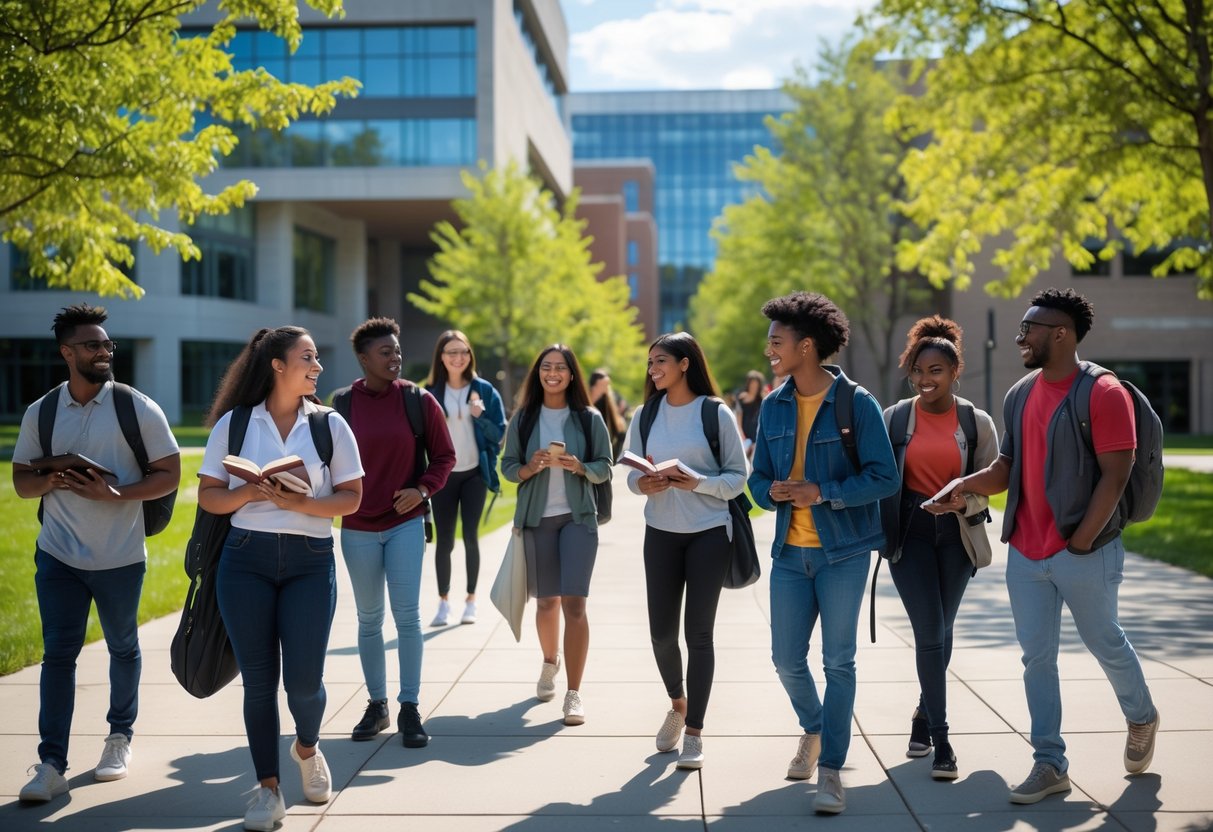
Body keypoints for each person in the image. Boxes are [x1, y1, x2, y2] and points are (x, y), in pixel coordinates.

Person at [939, 288, 1160, 805]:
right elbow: (1006, 468)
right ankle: (1049, 762)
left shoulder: (1103, 392)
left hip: (1085, 550)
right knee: (1037, 658)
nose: (1021, 336)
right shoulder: (1020, 394)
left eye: (1030, 327)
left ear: (1060, 333)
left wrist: (1082, 539)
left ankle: (1142, 715)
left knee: (1104, 639)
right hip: (1026, 552)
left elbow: (1117, 470)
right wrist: (964, 486)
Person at [12, 304, 180, 803]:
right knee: (58, 657)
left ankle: (118, 739)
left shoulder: (136, 407)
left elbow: (168, 474)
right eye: (92, 345)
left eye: (107, 345)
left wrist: (116, 495)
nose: (104, 352)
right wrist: (50, 479)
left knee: (123, 648)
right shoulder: (41, 412)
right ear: (67, 352)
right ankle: (51, 763)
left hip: (120, 556)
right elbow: (22, 482)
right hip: (58, 556)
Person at [197, 326, 363, 831]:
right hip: (245, 560)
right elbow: (209, 495)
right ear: (276, 365)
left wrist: (303, 503)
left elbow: (352, 498)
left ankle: (307, 748)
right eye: (307, 358)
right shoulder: (235, 423)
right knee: (259, 684)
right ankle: (268, 791)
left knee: (306, 684)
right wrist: (249, 494)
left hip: (311, 561)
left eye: (317, 359)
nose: (317, 367)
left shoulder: (330, 425)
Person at [747, 291, 898, 815]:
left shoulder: (857, 404)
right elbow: (757, 477)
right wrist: (772, 492)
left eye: (777, 341)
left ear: (806, 346)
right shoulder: (773, 405)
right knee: (786, 659)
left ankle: (831, 769)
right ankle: (814, 728)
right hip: (790, 552)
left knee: (839, 661)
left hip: (844, 554)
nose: (769, 349)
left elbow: (884, 476)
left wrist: (823, 492)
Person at [880, 316, 998, 780]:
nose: (925, 380)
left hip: (957, 536)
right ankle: (942, 740)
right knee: (930, 631)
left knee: (942, 631)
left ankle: (922, 715)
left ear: (954, 372)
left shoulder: (975, 421)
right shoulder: (895, 418)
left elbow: (995, 478)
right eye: (918, 371)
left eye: (936, 371)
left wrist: (963, 499)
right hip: (909, 534)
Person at [623, 333, 747, 770]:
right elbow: (630, 473)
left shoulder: (715, 413)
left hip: (709, 531)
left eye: (660, 361)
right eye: (650, 362)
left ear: (684, 364)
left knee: (699, 633)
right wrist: (646, 482)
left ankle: (694, 731)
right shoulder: (645, 413)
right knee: (661, 633)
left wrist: (698, 483)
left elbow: (738, 478)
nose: (652, 368)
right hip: (660, 531)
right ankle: (678, 704)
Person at [339, 319, 455, 747]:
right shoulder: (342, 404)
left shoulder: (417, 400)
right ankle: (377, 705)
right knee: (369, 619)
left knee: (407, 616)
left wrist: (422, 488)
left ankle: (409, 707)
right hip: (356, 526)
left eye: (397, 350)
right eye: (384, 352)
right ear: (364, 358)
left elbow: (444, 456)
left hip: (405, 523)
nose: (395, 358)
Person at [500, 344, 613, 726]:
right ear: (538, 373)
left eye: (560, 367)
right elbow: (507, 467)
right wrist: (530, 468)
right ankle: (550, 663)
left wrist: (581, 467)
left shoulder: (588, 418)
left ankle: (574, 693)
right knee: (546, 604)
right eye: (546, 367)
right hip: (537, 521)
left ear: (571, 374)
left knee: (575, 606)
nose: (553, 373)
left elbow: (605, 468)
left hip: (578, 519)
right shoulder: (524, 419)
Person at [424, 330, 506, 627]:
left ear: (470, 355)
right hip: (443, 477)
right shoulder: (430, 392)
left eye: (463, 351)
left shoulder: (483, 390)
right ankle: (443, 603)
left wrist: (479, 415)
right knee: (444, 541)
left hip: (474, 473)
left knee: (471, 536)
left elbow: (498, 435)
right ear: (441, 357)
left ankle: (471, 601)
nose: (458, 357)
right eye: (451, 352)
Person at [589, 367, 628, 461]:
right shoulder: (589, 400)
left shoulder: (608, 399)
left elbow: (618, 425)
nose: (607, 387)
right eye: (604, 384)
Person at [734, 370, 766, 459]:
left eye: (756, 385)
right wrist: (741, 435)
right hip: (745, 438)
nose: (754, 387)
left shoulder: (763, 400)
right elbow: (738, 420)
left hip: (758, 438)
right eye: (752, 384)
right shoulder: (741, 399)